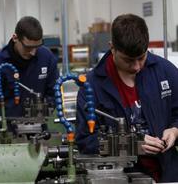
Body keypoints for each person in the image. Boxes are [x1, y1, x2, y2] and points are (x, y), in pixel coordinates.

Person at [75, 13, 178, 182]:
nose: (137, 66)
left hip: (168, 173)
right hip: (120, 176)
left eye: (141, 57)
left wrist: (174, 130)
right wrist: (132, 145)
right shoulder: (92, 86)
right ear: (112, 48)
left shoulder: (164, 71)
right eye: (129, 60)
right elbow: (85, 140)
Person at [0, 16, 59, 129]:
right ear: (15, 38)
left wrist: (43, 110)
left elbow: (54, 92)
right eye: (28, 47)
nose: (33, 53)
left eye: (37, 47)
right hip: (7, 132)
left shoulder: (47, 58)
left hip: (38, 130)